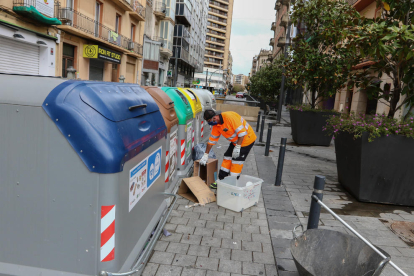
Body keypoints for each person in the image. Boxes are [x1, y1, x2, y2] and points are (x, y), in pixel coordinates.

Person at [200, 109, 257, 189]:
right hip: (236, 142)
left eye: (210, 120)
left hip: (246, 140)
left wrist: (238, 147)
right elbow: (211, 141)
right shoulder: (216, 125)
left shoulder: (230, 117)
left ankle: (233, 185)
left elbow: (242, 133)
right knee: (227, 157)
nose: (211, 123)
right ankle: (221, 182)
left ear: (215, 117)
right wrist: (205, 155)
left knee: (236, 162)